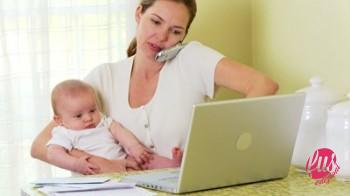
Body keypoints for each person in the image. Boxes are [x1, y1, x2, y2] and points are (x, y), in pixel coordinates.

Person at [31, 0, 278, 173]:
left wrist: (219, 142)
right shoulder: (102, 78)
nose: (161, 38)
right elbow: (40, 145)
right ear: (139, 13)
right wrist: (94, 162)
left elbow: (263, 85)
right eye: (155, 22)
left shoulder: (192, 59)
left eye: (175, 31)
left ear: (183, 36)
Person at [47, 79, 153, 174]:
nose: (88, 118)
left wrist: (134, 147)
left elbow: (119, 131)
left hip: (123, 163)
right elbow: (53, 153)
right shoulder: (65, 132)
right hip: (93, 175)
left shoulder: (102, 121)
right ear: (59, 120)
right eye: (78, 116)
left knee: (147, 167)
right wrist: (75, 164)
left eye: (92, 110)